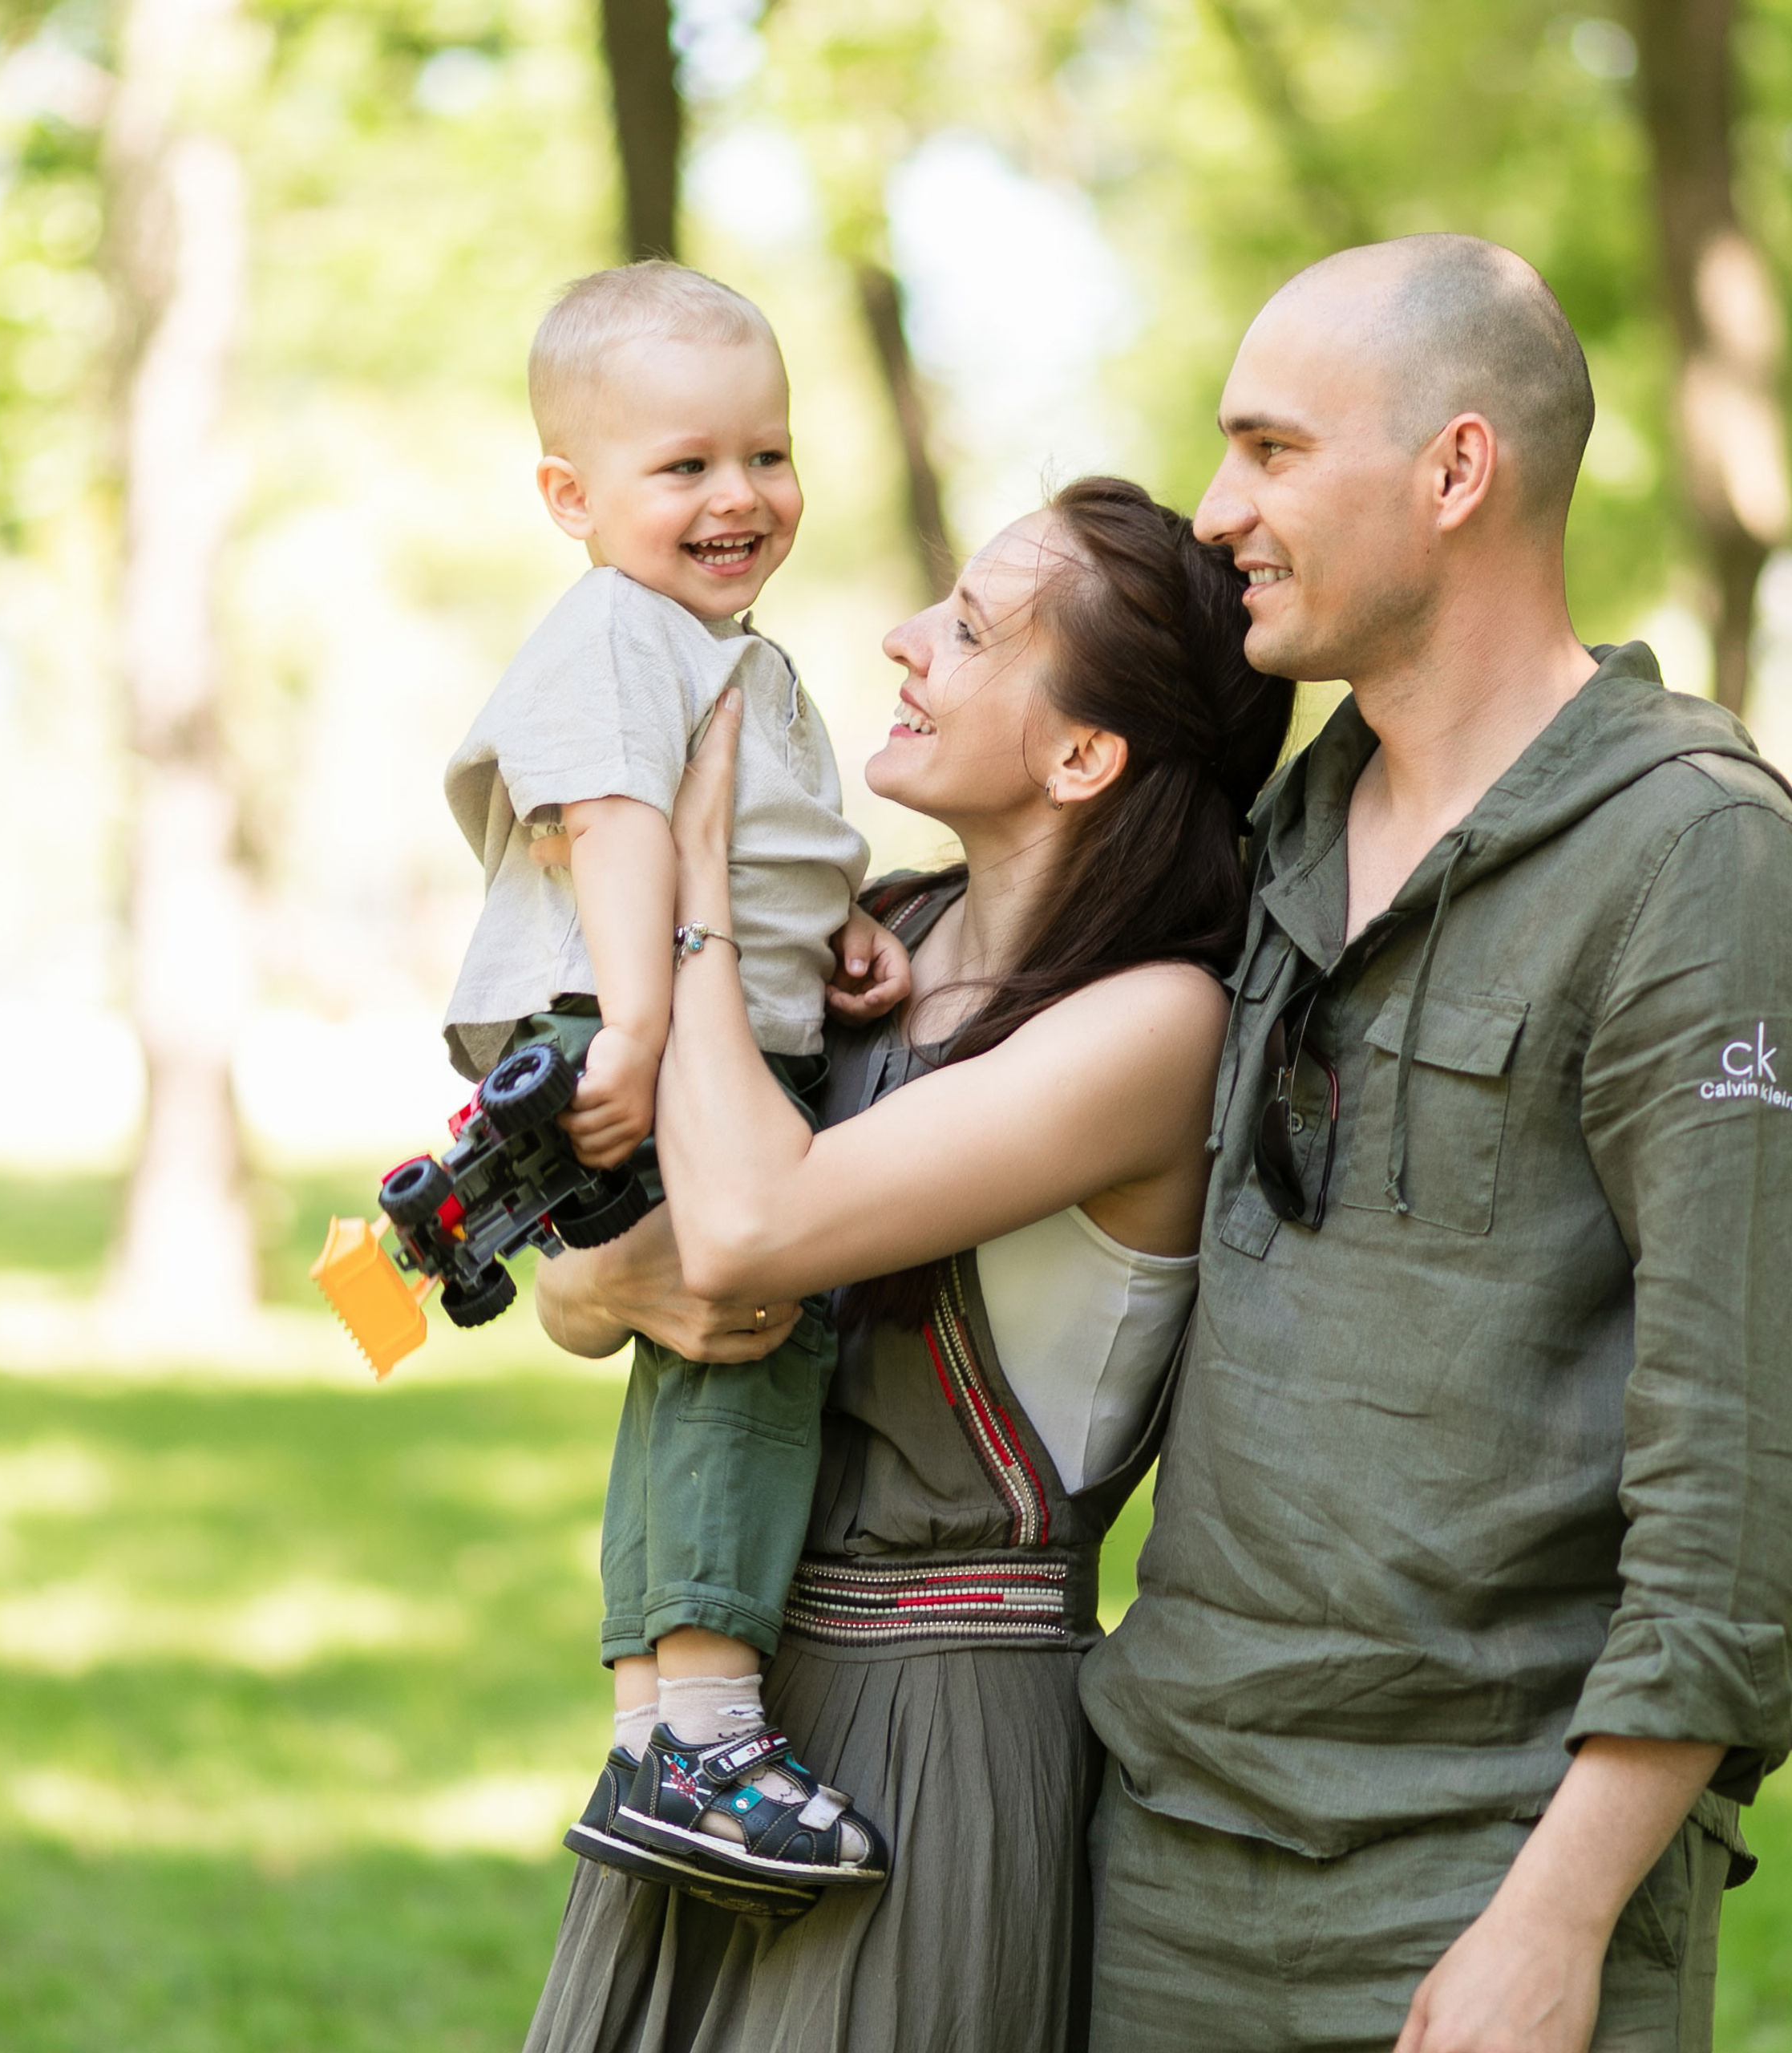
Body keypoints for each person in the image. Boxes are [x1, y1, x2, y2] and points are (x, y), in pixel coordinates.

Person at [1082, 234, 1792, 2053]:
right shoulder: (1263, 834)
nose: (1216, 507)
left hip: (1480, 1886)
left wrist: (1552, 1919)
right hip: (1157, 1855)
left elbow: (1741, 1454)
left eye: (1267, 449)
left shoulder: (1691, 854)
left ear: (1453, 470)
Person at [523, 475, 1296, 2053]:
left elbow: (747, 1229)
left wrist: (694, 882)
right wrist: (600, 1285)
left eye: (970, 627)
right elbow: (586, 1288)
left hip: (937, 1727)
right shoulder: (875, 929)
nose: (901, 638)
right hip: (714, 1702)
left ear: (1083, 753)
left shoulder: (1153, 1025)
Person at [442, 259, 901, 1906]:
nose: (739, 496)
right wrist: (638, 1025)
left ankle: (652, 1720)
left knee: (692, 1352)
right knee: (751, 1330)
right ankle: (705, 1727)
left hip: (670, 1006)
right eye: (684, 465)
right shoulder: (619, 633)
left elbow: (743, 843)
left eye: (765, 455)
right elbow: (611, 823)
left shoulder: (713, 644)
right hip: (612, 1013)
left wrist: (826, 925)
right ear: (569, 496)